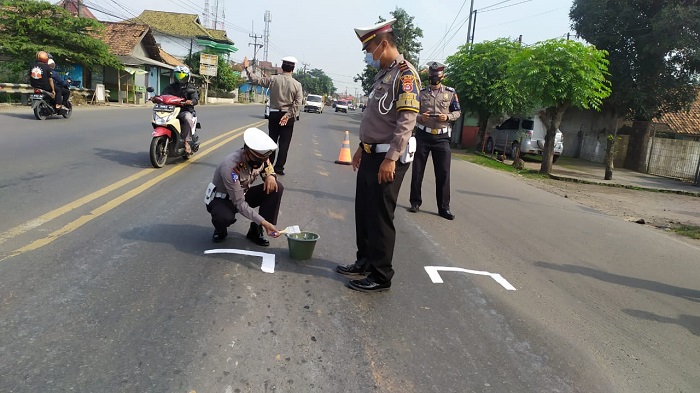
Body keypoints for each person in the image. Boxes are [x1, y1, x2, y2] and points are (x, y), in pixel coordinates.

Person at [335, 19, 421, 293]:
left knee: (381, 215)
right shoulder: (384, 74)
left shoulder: (405, 76)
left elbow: (406, 121)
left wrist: (391, 158)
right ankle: (364, 261)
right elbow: (376, 118)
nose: (368, 55)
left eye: (370, 48)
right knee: (364, 210)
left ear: (384, 43)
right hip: (372, 153)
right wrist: (362, 147)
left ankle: (381, 274)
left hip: (388, 158)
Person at [205, 127, 283, 246]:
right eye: (257, 159)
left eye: (262, 160)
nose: (259, 163)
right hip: (224, 199)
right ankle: (220, 229)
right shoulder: (230, 166)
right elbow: (240, 204)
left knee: (276, 187)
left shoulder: (261, 157)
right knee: (222, 217)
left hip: (243, 193)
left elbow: (267, 167)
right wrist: (265, 223)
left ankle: (255, 231)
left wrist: (270, 176)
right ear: (246, 152)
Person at [408, 61, 461, 220]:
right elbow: (411, 111)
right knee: (417, 170)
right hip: (423, 135)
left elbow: (458, 112)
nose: (434, 79)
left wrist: (448, 117)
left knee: (443, 173)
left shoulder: (450, 93)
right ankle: (415, 202)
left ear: (442, 76)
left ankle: (444, 208)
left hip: (442, 137)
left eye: (437, 76)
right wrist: (419, 117)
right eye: (431, 76)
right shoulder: (421, 93)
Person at [242, 56, 303, 175]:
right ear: (293, 69)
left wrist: (247, 68)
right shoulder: (297, 84)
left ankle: (268, 168)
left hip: (274, 114)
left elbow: (256, 80)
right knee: (284, 144)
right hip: (288, 117)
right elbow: (298, 103)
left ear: (281, 67)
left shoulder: (273, 79)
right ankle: (279, 168)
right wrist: (288, 115)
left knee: (272, 142)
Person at [162, 65, 198, 154]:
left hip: (184, 110)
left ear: (187, 77)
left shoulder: (191, 88)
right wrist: (156, 98)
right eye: (178, 76)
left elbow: (195, 99)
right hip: (171, 110)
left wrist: (191, 101)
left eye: (182, 76)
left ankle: (186, 142)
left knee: (187, 118)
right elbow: (163, 95)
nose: (180, 79)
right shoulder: (170, 87)